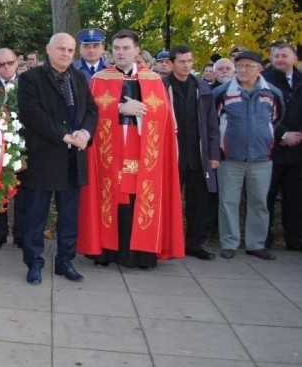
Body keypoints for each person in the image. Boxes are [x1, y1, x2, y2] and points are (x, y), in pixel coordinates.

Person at [77, 29, 184, 269]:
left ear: (137, 50)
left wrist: (143, 110)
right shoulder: (100, 79)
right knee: (110, 197)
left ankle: (140, 255)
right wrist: (118, 110)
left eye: (126, 48)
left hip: (141, 152)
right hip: (110, 152)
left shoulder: (153, 80)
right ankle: (105, 252)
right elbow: (90, 114)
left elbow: (163, 115)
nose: (120, 52)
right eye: (116, 48)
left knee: (139, 198)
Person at [18, 33, 98, 284]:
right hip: (43, 156)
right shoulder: (31, 78)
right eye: (61, 48)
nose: (66, 54)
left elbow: (92, 109)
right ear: (48, 49)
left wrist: (85, 132)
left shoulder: (78, 77)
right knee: (36, 215)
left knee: (69, 215)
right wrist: (64, 135)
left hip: (74, 159)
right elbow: (32, 115)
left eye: (70, 50)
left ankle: (65, 261)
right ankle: (34, 263)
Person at [214, 51, 283, 260]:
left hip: (262, 158)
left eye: (248, 66)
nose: (243, 70)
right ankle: (229, 242)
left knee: (259, 202)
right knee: (228, 201)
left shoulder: (272, 92)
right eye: (240, 66)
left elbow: (277, 118)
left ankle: (256, 243)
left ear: (260, 69)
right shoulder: (223, 92)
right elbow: (213, 123)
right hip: (230, 157)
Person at [163, 46, 220, 260]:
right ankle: (169, 243)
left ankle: (195, 244)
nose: (186, 65)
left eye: (189, 61)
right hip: (173, 156)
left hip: (198, 155)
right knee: (170, 201)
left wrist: (214, 154)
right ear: (171, 63)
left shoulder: (202, 87)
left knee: (199, 203)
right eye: (181, 61)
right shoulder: (161, 86)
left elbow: (211, 124)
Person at [263, 42, 302, 250]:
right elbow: (263, 115)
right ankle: (264, 239)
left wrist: (298, 135)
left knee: (295, 198)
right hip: (272, 149)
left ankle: (294, 241)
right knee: (266, 197)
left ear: (294, 57)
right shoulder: (264, 81)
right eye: (276, 56)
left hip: (298, 151)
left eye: (284, 55)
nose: (280, 59)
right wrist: (283, 133)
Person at [0, 48, 23, 248]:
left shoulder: (27, 84)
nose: (7, 67)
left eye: (10, 63)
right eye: (1, 64)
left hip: (24, 145)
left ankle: (20, 234)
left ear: (17, 63)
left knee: (23, 191)